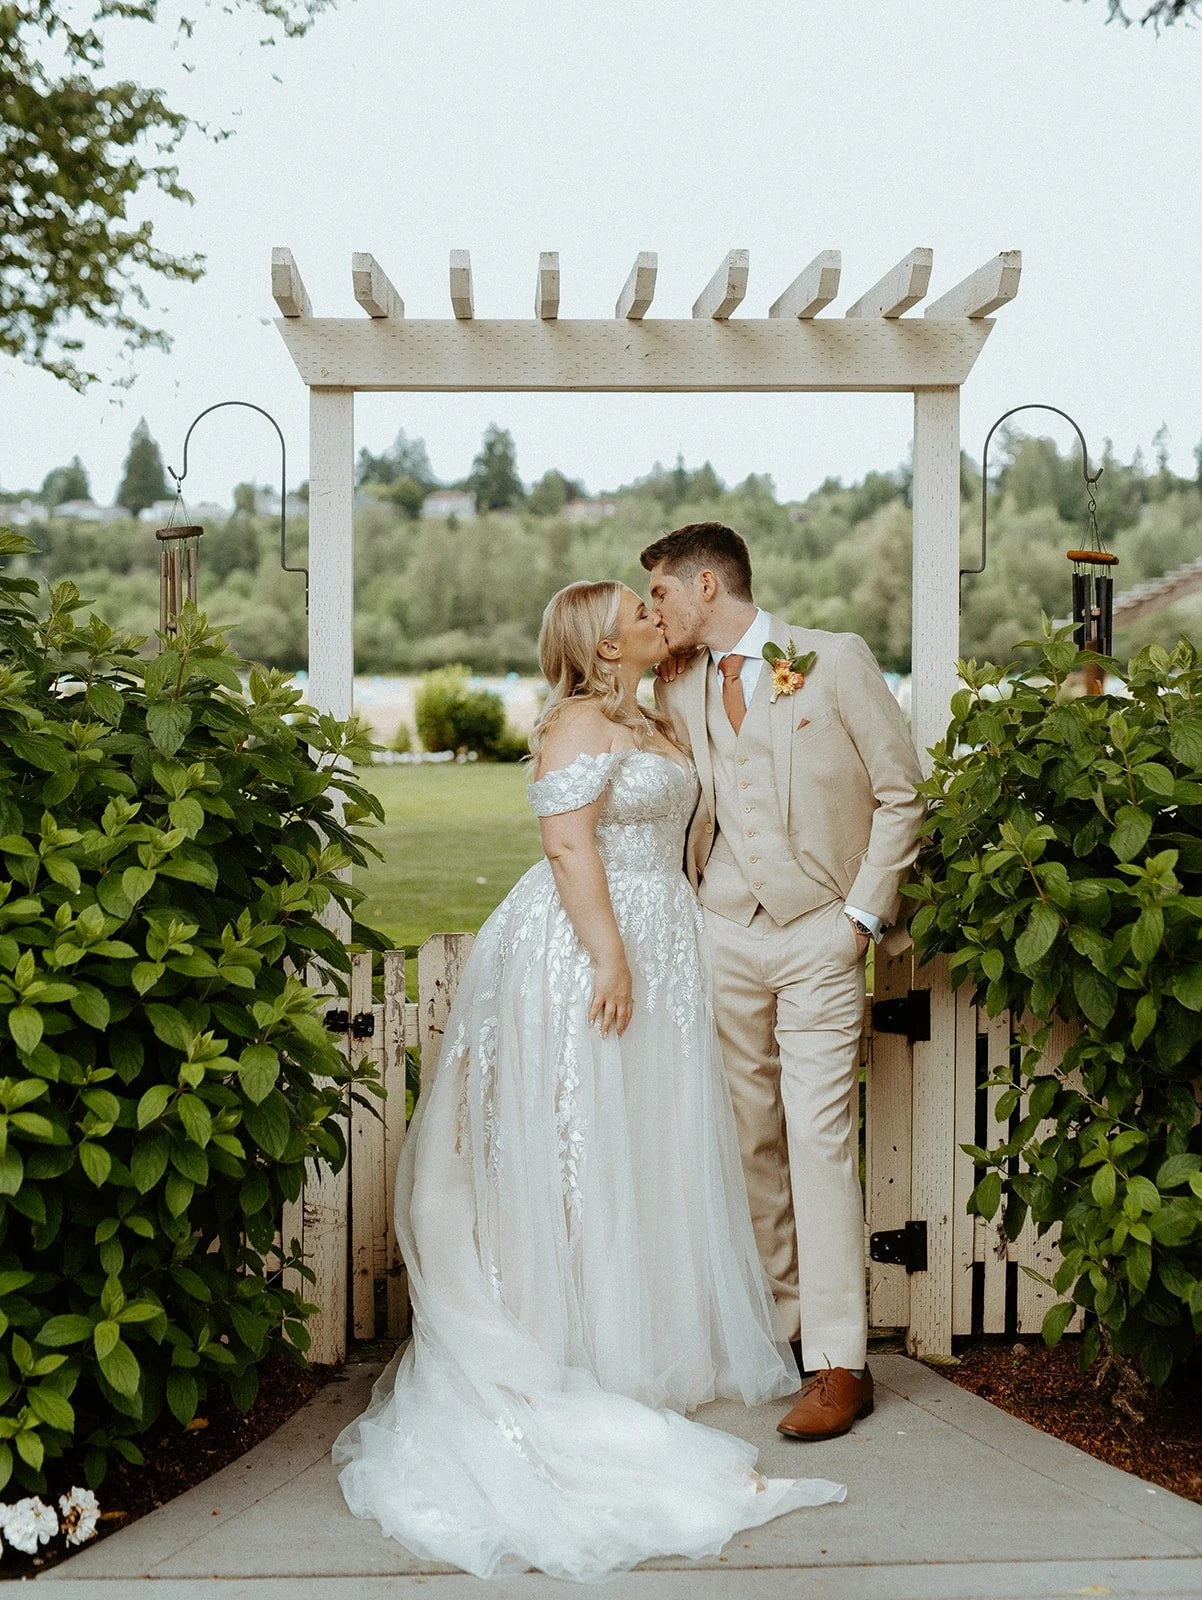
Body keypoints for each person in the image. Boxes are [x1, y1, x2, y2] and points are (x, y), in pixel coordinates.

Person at [333, 580, 845, 1582]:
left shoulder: (651, 714)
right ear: (598, 640)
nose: (656, 618)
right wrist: (609, 957)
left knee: (641, 1135)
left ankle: (640, 1333)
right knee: (581, 1133)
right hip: (585, 945)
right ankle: (569, 1334)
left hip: (662, 933)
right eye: (638, 612)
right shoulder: (574, 723)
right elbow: (567, 846)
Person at [643, 523, 925, 1444]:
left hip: (818, 934)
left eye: (663, 595)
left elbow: (901, 792)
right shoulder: (680, 683)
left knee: (819, 1140)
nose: (658, 611)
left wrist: (861, 918)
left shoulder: (832, 662)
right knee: (747, 1139)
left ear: (708, 584)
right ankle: (781, 1332)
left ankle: (840, 1362)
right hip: (721, 930)